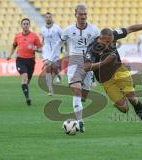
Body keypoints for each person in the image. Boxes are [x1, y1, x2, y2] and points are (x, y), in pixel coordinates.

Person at [84, 20, 142, 134]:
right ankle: (119, 99)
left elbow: (131, 28)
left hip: (120, 71)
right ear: (101, 38)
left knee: (133, 98)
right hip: (105, 79)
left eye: (112, 41)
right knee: (124, 109)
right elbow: (86, 67)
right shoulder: (92, 48)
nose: (110, 44)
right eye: (107, 42)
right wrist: (103, 63)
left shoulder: (114, 35)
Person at [46, 4, 99, 132]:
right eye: (80, 14)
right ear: (75, 14)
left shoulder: (94, 30)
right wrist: (51, 58)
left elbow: (100, 47)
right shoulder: (68, 30)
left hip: (88, 63)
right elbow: (60, 43)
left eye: (85, 14)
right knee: (76, 90)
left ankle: (79, 106)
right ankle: (80, 122)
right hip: (74, 61)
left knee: (84, 96)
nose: (83, 16)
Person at [7, 18, 42, 106]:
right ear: (21, 25)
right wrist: (10, 55)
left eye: (27, 24)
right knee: (24, 78)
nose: (25, 25)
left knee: (27, 81)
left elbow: (40, 49)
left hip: (30, 61)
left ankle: (26, 93)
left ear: (29, 25)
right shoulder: (17, 36)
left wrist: (35, 48)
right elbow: (14, 46)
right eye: (24, 24)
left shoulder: (34, 36)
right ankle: (27, 98)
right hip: (20, 60)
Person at [41, 12, 62, 96]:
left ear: (52, 18)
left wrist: (65, 49)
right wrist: (41, 49)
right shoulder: (42, 29)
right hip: (46, 50)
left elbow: (63, 38)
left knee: (54, 67)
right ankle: (50, 89)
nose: (48, 18)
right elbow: (43, 39)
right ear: (45, 18)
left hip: (55, 50)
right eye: (46, 17)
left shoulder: (57, 28)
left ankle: (58, 73)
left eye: (49, 17)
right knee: (47, 67)